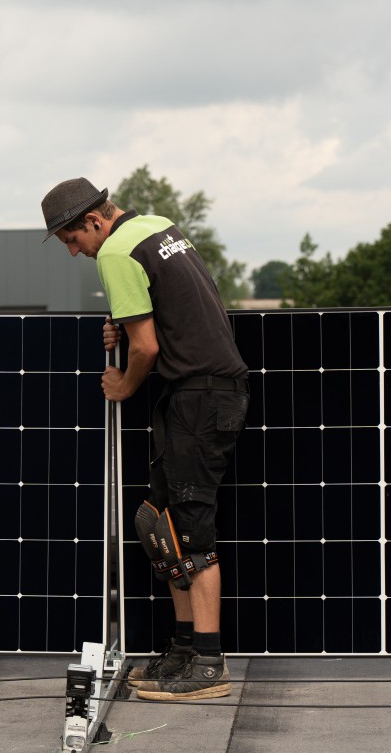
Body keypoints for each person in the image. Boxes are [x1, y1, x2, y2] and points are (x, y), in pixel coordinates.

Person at [39, 177, 248, 701]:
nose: (73, 252)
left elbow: (148, 347)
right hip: (203, 392)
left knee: (192, 529)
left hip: (200, 396)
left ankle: (208, 663)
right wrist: (120, 324)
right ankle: (182, 648)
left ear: (94, 220)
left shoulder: (114, 251)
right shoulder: (158, 228)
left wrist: (123, 386)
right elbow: (176, 307)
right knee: (161, 523)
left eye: (71, 239)